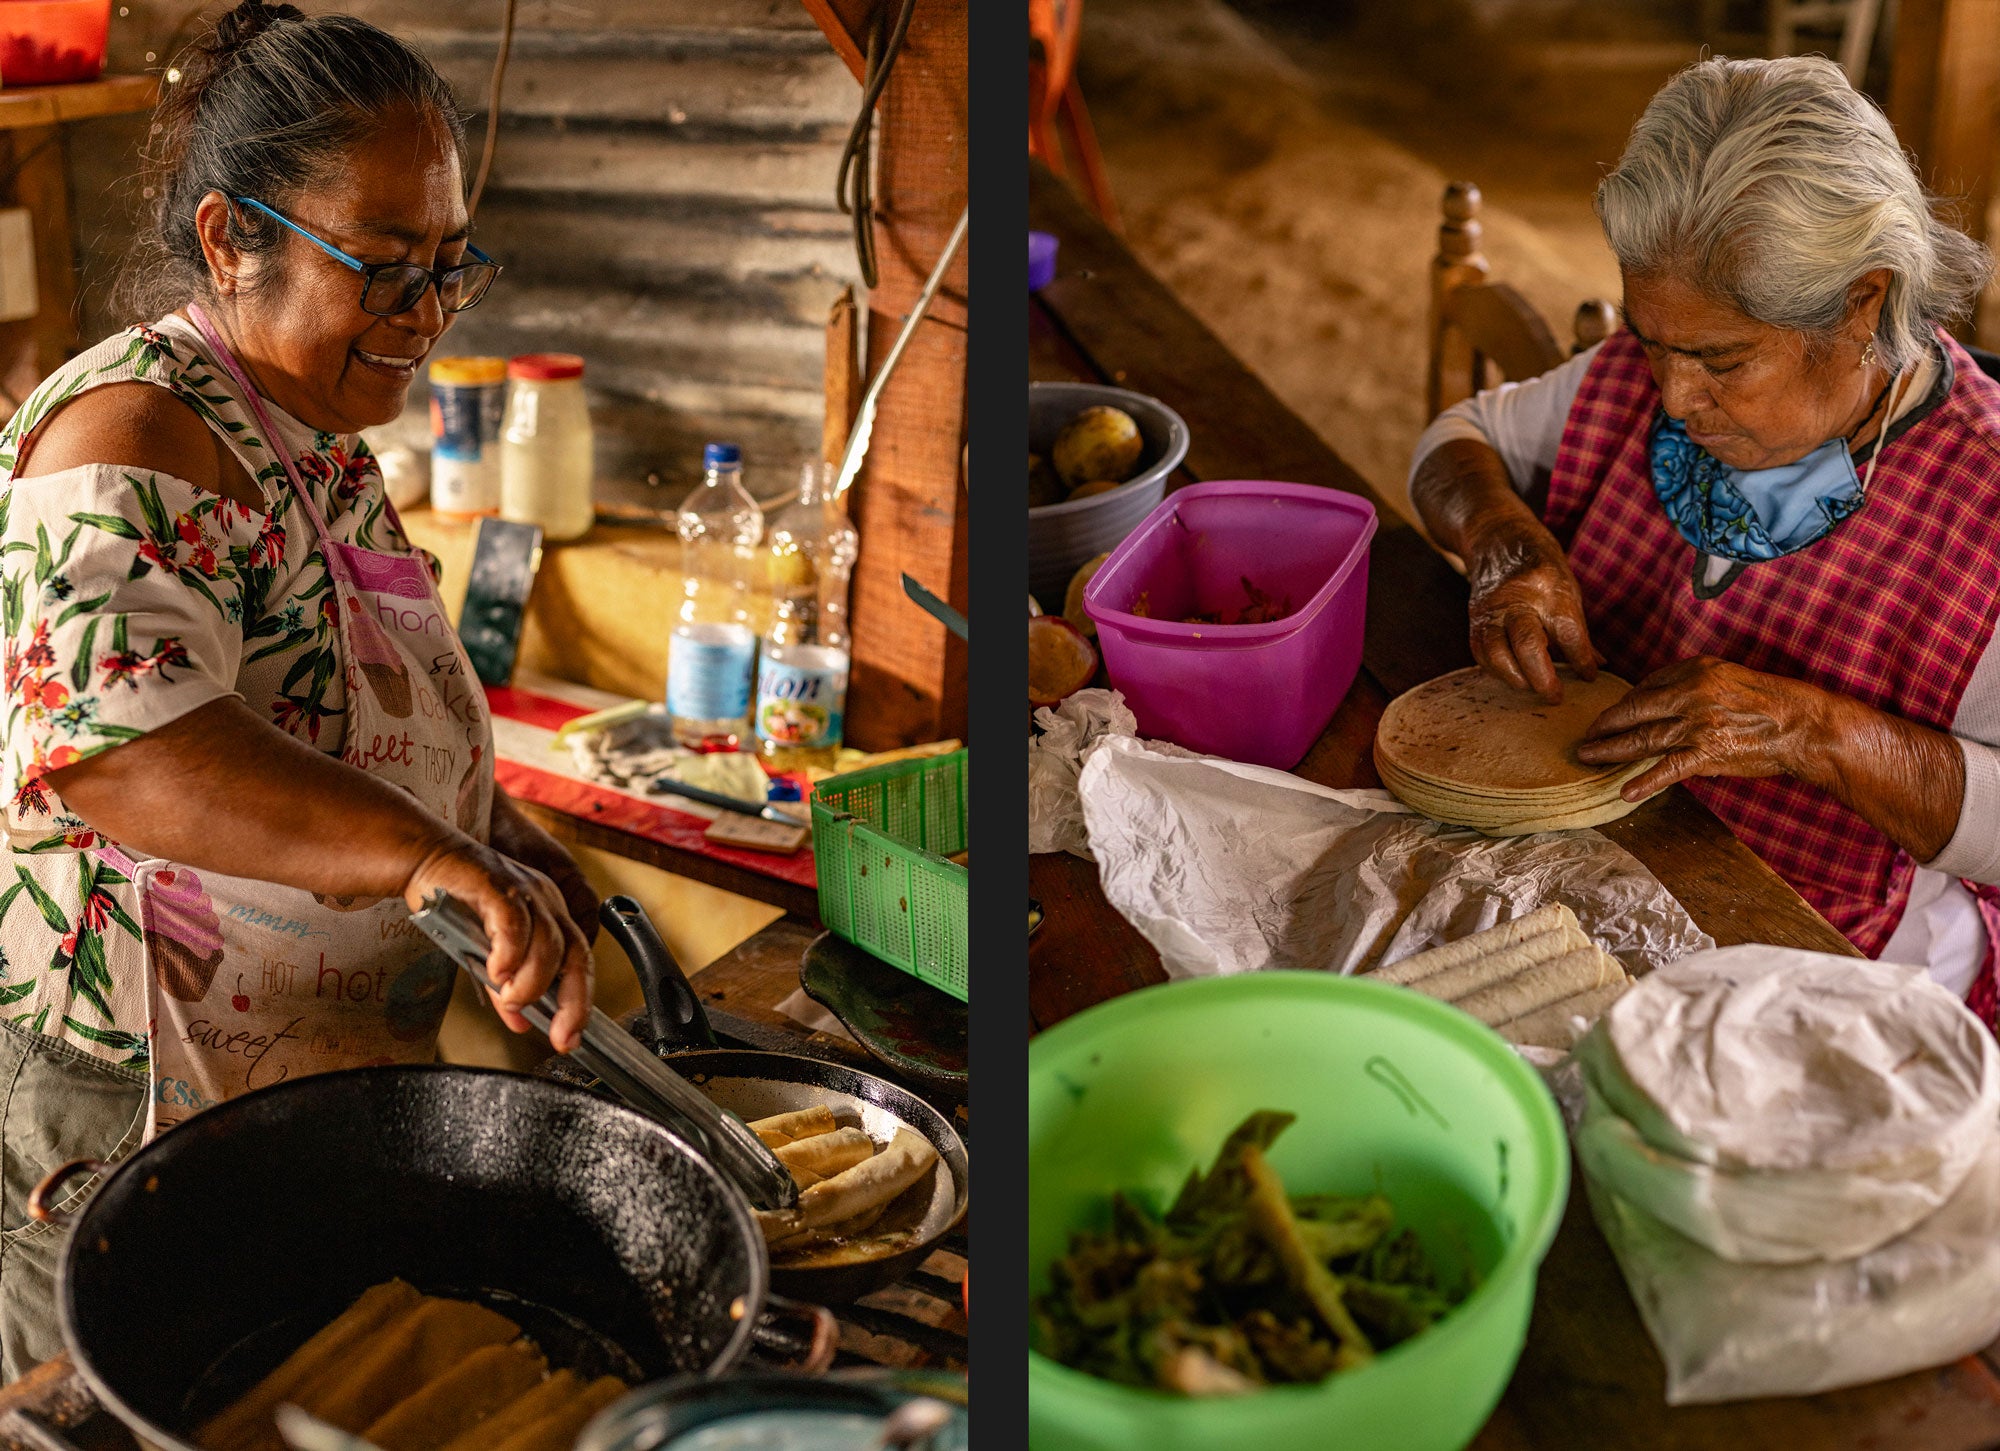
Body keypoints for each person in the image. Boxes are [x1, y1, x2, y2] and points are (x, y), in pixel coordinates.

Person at [0, 2, 599, 1375]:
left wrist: (497, 841)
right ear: (229, 238)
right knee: (122, 1399)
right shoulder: (135, 428)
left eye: (453, 265)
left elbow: (333, 715)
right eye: (386, 267)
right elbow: (123, 746)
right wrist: (424, 853)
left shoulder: (315, 435)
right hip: (128, 1099)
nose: (429, 313)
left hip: (293, 1087)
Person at [1411, 55, 2000, 1019]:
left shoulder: (1986, 503)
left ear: (1863, 301)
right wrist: (1502, 541)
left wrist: (1814, 731)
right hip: (1591, 874)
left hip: (1821, 963)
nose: (1674, 397)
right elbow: (1458, 440)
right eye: (1653, 341)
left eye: (1723, 359)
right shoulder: (1636, 378)